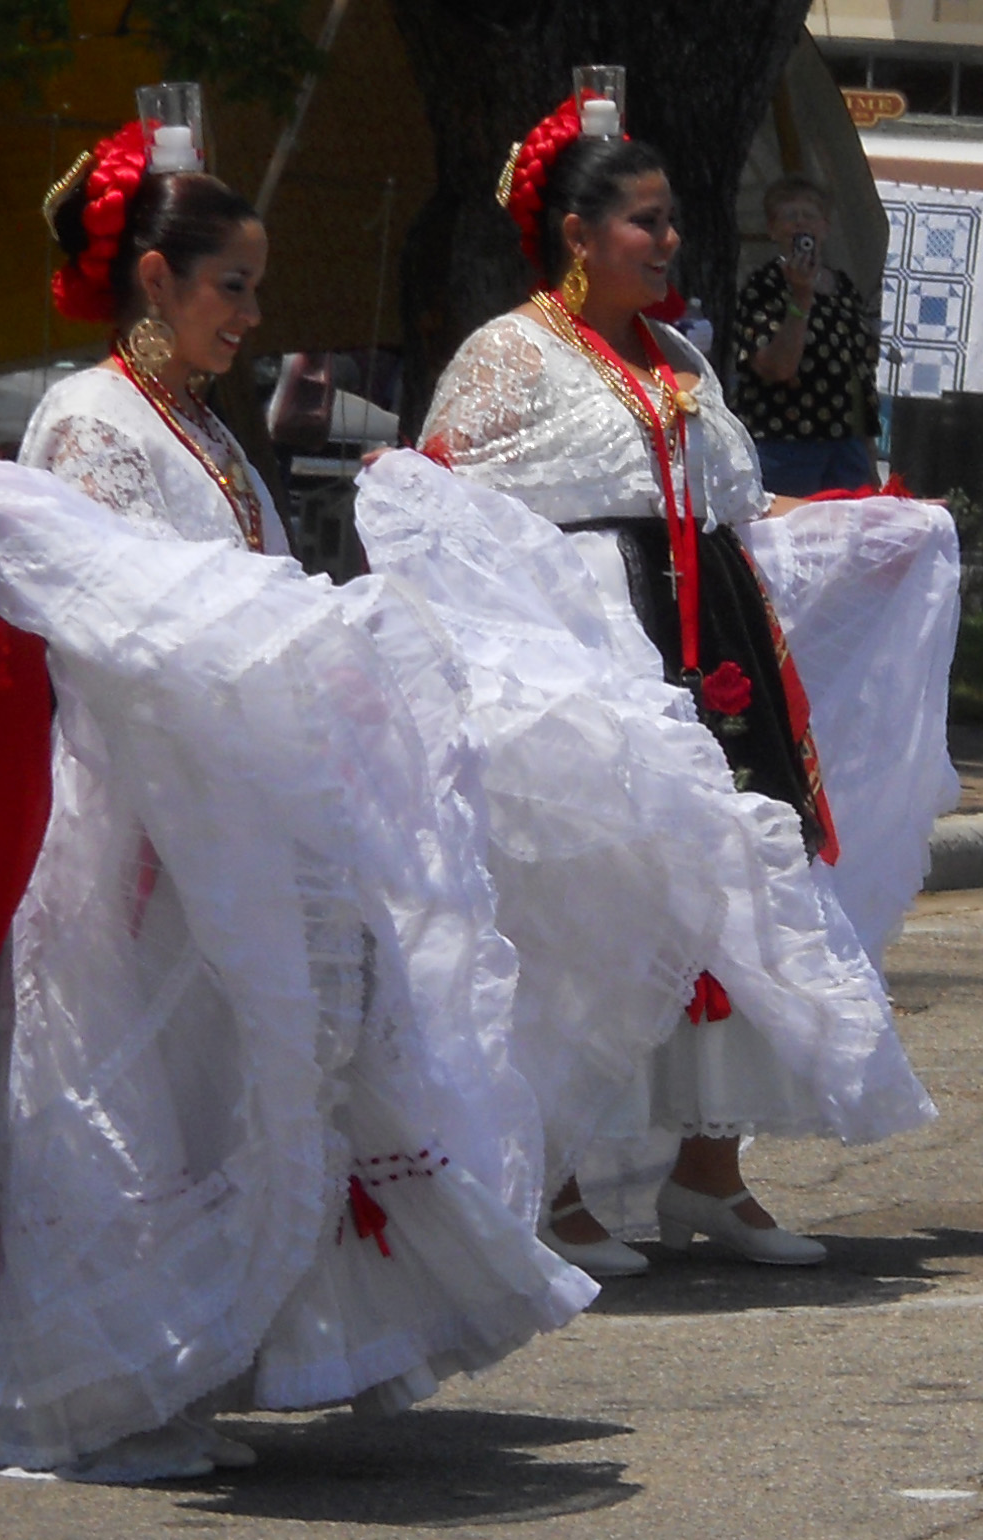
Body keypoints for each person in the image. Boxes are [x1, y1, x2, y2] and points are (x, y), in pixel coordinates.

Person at [0, 111, 596, 1482]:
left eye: (254, 286)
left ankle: (181, 1363)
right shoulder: (88, 421)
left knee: (217, 1080)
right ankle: (86, 1397)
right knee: (115, 1093)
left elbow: (241, 609)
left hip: (216, 802)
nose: (251, 313)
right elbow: (106, 624)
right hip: (129, 813)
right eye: (232, 285)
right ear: (155, 279)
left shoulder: (202, 430)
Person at [354, 99, 956, 1278]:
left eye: (672, 219)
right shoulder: (506, 354)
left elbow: (737, 506)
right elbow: (445, 515)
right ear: (576, 233)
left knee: (735, 885)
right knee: (593, 897)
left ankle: (707, 1170)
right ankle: (554, 1175)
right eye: (645, 220)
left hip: (715, 642)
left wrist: (875, 527)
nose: (669, 240)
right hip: (591, 640)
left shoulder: (679, 359)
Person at [730, 174, 881, 497]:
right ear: (773, 230)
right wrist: (801, 297)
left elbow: (860, 373)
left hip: (845, 443)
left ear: (824, 228)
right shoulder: (764, 286)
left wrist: (868, 449)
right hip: (784, 442)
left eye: (809, 215)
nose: (800, 223)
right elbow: (776, 368)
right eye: (789, 216)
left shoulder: (843, 288)